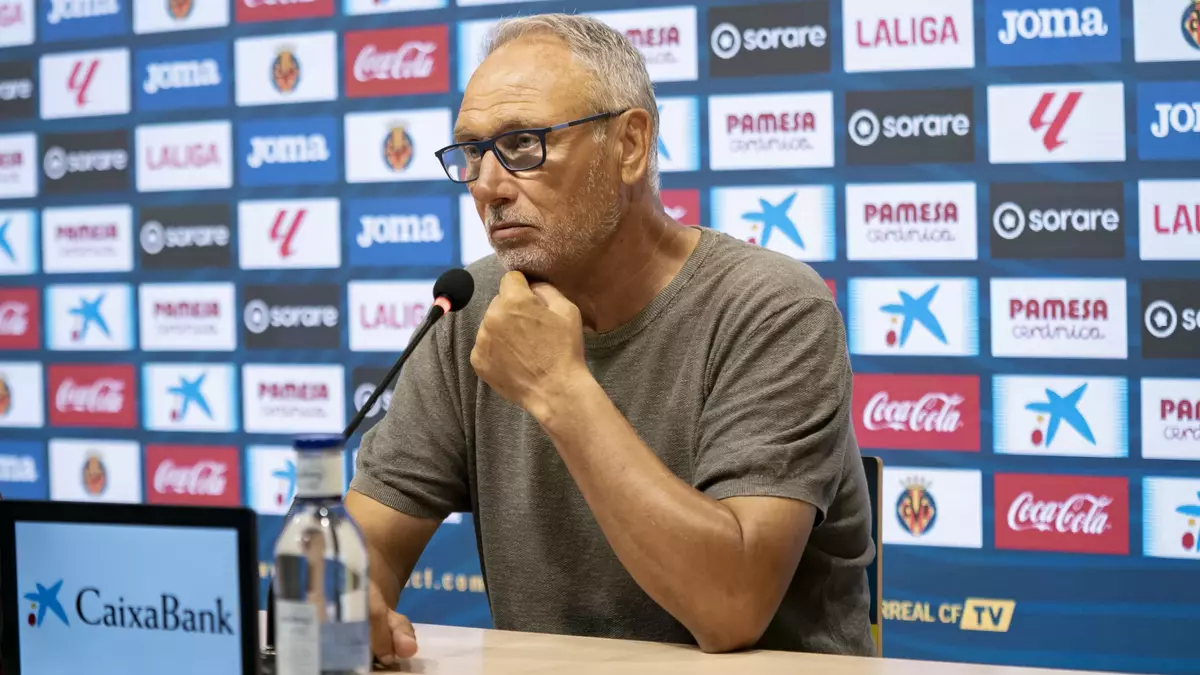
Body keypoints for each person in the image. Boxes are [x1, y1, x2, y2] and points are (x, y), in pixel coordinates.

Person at [345, 12, 875, 665]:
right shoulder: (469, 309)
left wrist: (561, 390)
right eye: (474, 151)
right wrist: (341, 598)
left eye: (524, 143)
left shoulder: (772, 308)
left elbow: (731, 606)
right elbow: (359, 557)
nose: (486, 184)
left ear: (629, 145)